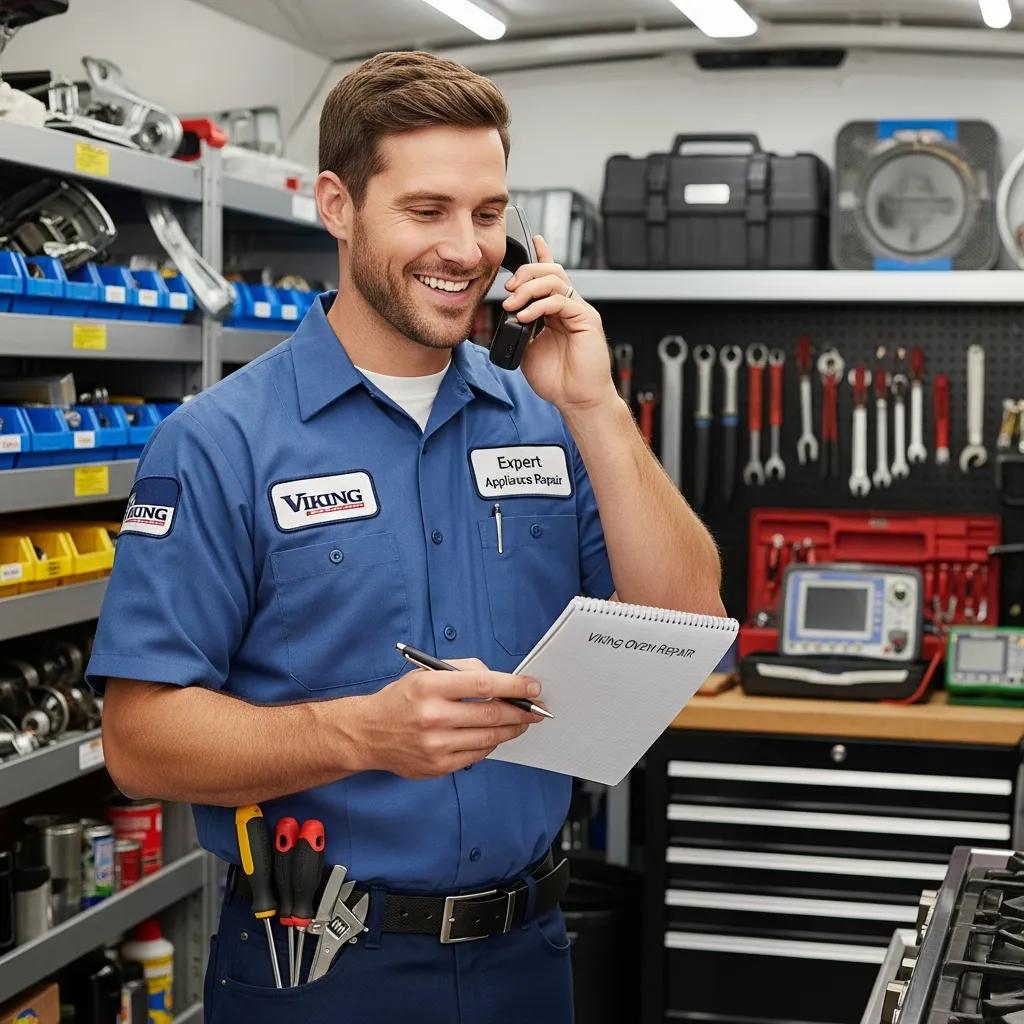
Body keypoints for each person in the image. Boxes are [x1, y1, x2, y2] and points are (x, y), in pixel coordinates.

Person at [87, 50, 725, 1023]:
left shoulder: (545, 420)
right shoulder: (220, 442)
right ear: (337, 206)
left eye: (487, 213)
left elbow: (686, 620)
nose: (465, 249)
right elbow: (139, 742)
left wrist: (594, 406)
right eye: (426, 212)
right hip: (317, 967)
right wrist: (358, 733)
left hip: (526, 960)